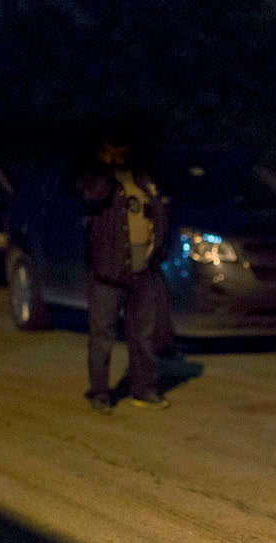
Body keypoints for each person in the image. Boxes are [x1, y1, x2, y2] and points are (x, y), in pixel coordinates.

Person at [80, 135, 171, 413]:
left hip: (143, 270)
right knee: (102, 336)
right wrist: (107, 168)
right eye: (111, 150)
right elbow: (91, 197)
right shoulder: (97, 179)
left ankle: (143, 389)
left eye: (122, 150)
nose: (119, 155)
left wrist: (158, 250)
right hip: (107, 272)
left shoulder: (141, 178)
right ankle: (100, 393)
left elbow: (157, 212)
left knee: (143, 334)